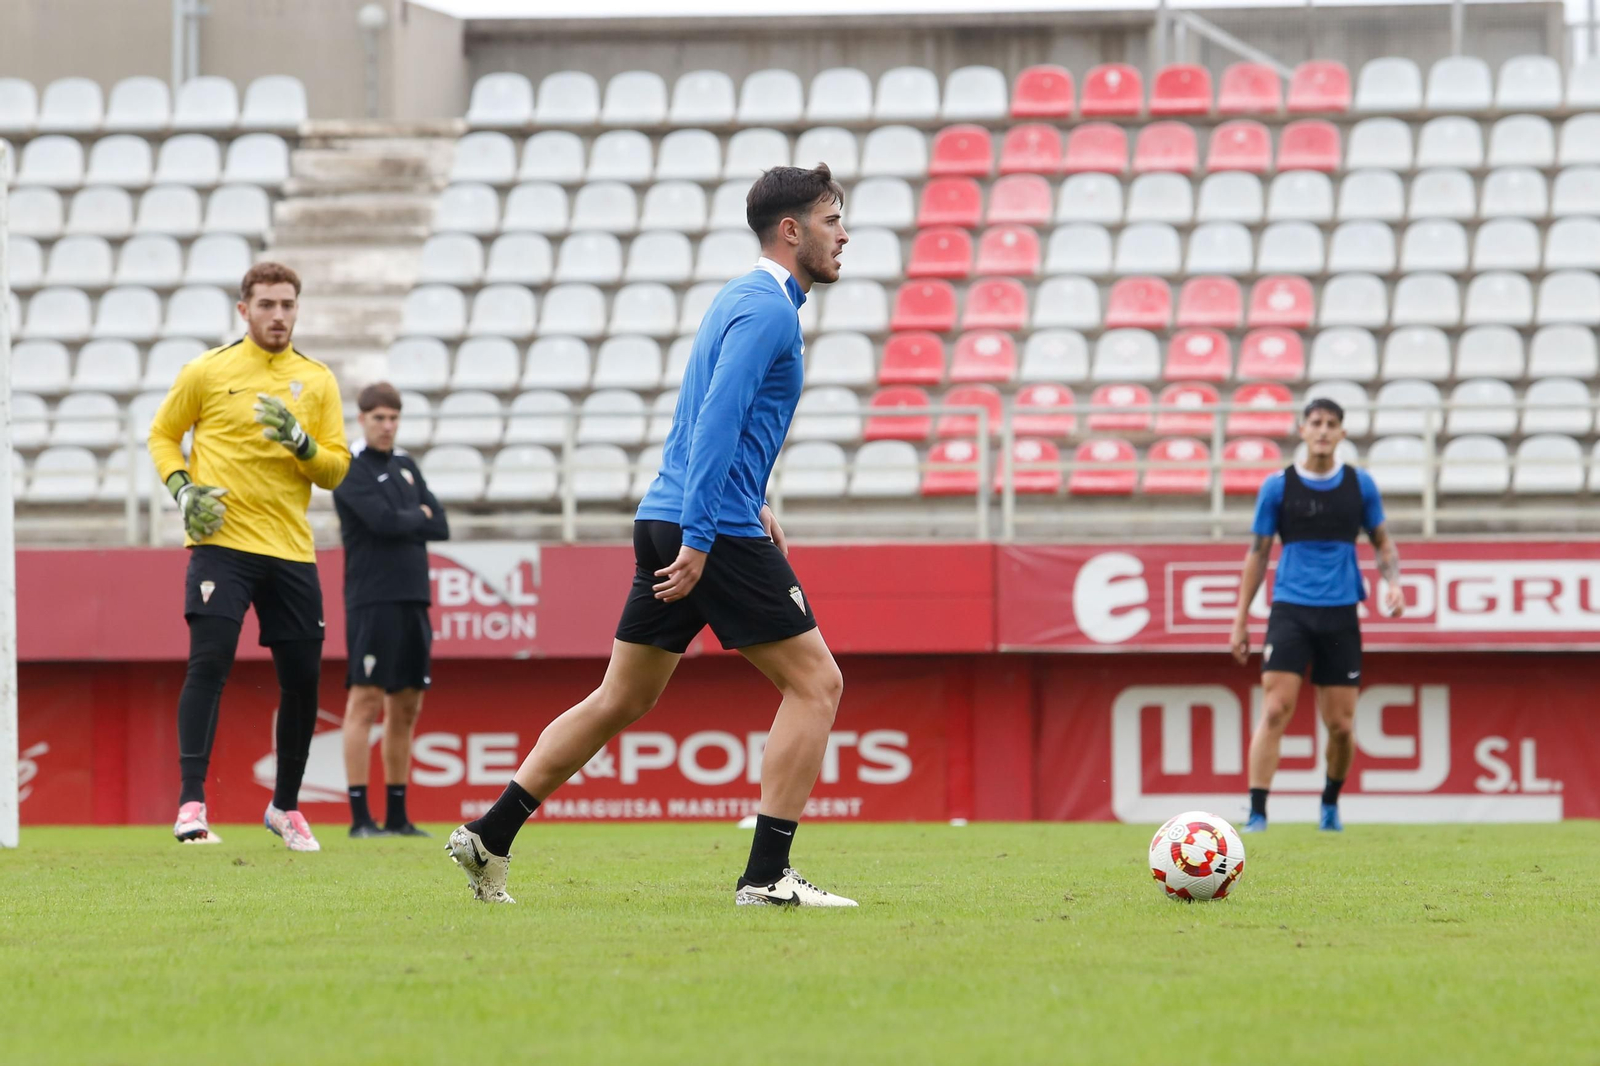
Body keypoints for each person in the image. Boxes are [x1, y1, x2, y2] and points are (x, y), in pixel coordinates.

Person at [446, 164, 853, 906]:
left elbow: (716, 419)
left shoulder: (741, 296)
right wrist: (706, 534)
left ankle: (489, 835)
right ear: (791, 231)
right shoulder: (769, 311)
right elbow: (716, 421)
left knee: (619, 698)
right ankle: (766, 877)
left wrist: (748, 499)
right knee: (818, 684)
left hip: (673, 515)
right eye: (832, 220)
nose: (843, 234)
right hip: (707, 528)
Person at [149, 262, 350, 851]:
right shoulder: (207, 371)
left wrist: (302, 443)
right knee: (208, 666)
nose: (279, 316)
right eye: (267, 305)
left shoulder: (316, 381)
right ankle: (191, 804)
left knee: (304, 681)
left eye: (288, 304)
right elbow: (162, 435)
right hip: (221, 544)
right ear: (244, 310)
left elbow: (336, 470)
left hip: (290, 548)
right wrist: (183, 488)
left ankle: (285, 807)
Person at [1229, 398, 1403, 834]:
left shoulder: (1360, 486)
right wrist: (1240, 618)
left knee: (1341, 726)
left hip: (1341, 612)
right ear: (1302, 430)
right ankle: (1257, 813)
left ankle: (1329, 805)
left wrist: (1393, 581)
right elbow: (1258, 552)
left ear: (1342, 433)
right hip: (1290, 609)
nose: (1323, 430)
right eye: (1316, 423)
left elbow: (1382, 542)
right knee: (1275, 709)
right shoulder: (1278, 487)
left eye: (1332, 424)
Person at [333, 383, 448, 839]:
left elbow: (440, 523)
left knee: (406, 706)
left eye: (394, 418)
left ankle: (397, 816)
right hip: (372, 599)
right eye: (379, 417)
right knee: (365, 700)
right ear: (362, 419)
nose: (387, 426)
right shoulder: (349, 469)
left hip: (413, 597)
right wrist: (414, 516)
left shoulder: (405, 466)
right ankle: (361, 817)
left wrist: (412, 517)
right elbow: (381, 522)